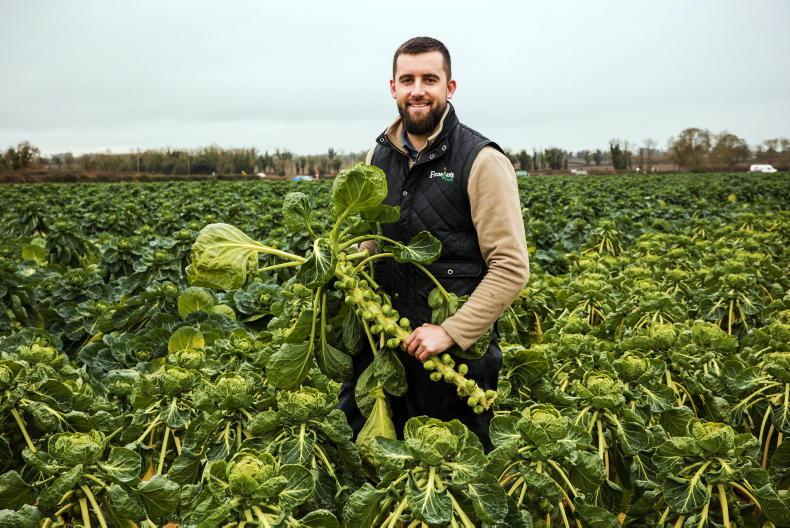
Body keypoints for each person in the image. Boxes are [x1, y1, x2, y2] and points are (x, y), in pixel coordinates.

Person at [338, 36, 529, 449]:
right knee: (367, 466)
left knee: (453, 479)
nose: (417, 90)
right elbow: (373, 241)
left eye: (430, 78)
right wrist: (344, 262)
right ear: (393, 88)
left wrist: (451, 331)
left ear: (449, 87)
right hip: (382, 350)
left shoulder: (481, 160)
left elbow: (511, 267)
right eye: (407, 80)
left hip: (451, 360)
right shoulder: (378, 158)